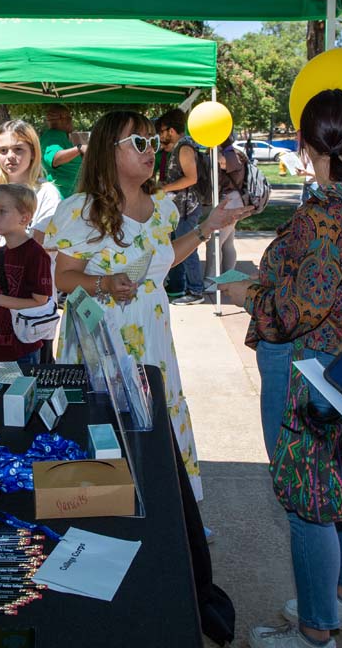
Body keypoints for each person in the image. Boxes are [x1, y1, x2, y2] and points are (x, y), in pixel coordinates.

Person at [221, 89, 342, 648]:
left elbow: (301, 306)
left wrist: (251, 292)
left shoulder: (325, 213)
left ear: (302, 140)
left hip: (308, 373)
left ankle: (316, 629)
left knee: (306, 502)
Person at [45, 110, 250, 500]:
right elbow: (63, 277)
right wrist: (102, 283)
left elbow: (162, 261)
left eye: (153, 142)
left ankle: (164, 508)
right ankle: (102, 505)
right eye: (139, 143)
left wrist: (208, 227)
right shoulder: (81, 210)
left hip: (153, 333)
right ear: (109, 150)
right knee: (106, 419)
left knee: (156, 412)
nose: (151, 150)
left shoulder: (161, 205)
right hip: (101, 337)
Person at [0, 119, 62, 280]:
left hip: (33, 292)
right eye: (3, 150)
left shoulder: (47, 193)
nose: (10, 156)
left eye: (18, 149)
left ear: (33, 153)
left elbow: (40, 246)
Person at [0, 183, 53, 365]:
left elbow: (40, 300)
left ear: (24, 218)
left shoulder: (37, 255)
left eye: (2, 211)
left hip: (23, 350)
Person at [155, 108, 205, 305]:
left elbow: (191, 178)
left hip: (187, 208)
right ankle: (179, 287)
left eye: (162, 131)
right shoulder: (178, 147)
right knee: (178, 248)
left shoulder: (184, 148)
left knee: (189, 248)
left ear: (172, 131)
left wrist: (166, 187)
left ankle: (196, 291)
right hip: (179, 208)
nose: (160, 136)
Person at [206, 135, 245, 277]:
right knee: (227, 242)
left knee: (214, 242)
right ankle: (228, 276)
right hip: (233, 199)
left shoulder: (229, 154)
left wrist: (212, 148)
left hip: (230, 201)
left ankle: (211, 280)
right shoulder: (233, 152)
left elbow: (222, 163)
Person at [38, 103, 85, 198]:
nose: (71, 121)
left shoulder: (60, 136)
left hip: (74, 196)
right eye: (69, 117)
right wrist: (80, 148)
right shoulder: (52, 137)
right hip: (63, 198)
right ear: (62, 119)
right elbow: (56, 159)